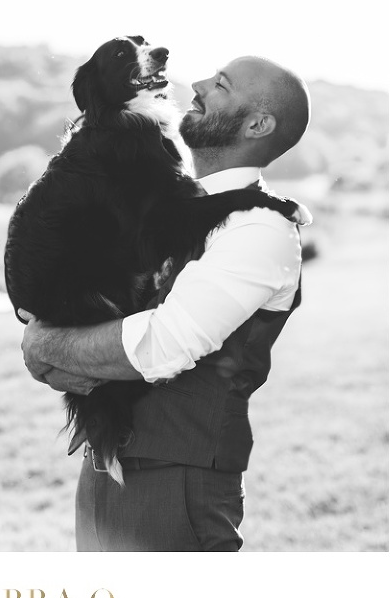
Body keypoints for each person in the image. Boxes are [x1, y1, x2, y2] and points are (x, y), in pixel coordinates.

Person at [21, 56, 311, 551]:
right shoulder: (156, 199)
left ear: (257, 124)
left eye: (220, 85)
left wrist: (43, 343)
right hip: (99, 470)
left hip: (177, 484)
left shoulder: (261, 228)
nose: (196, 84)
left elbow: (160, 346)